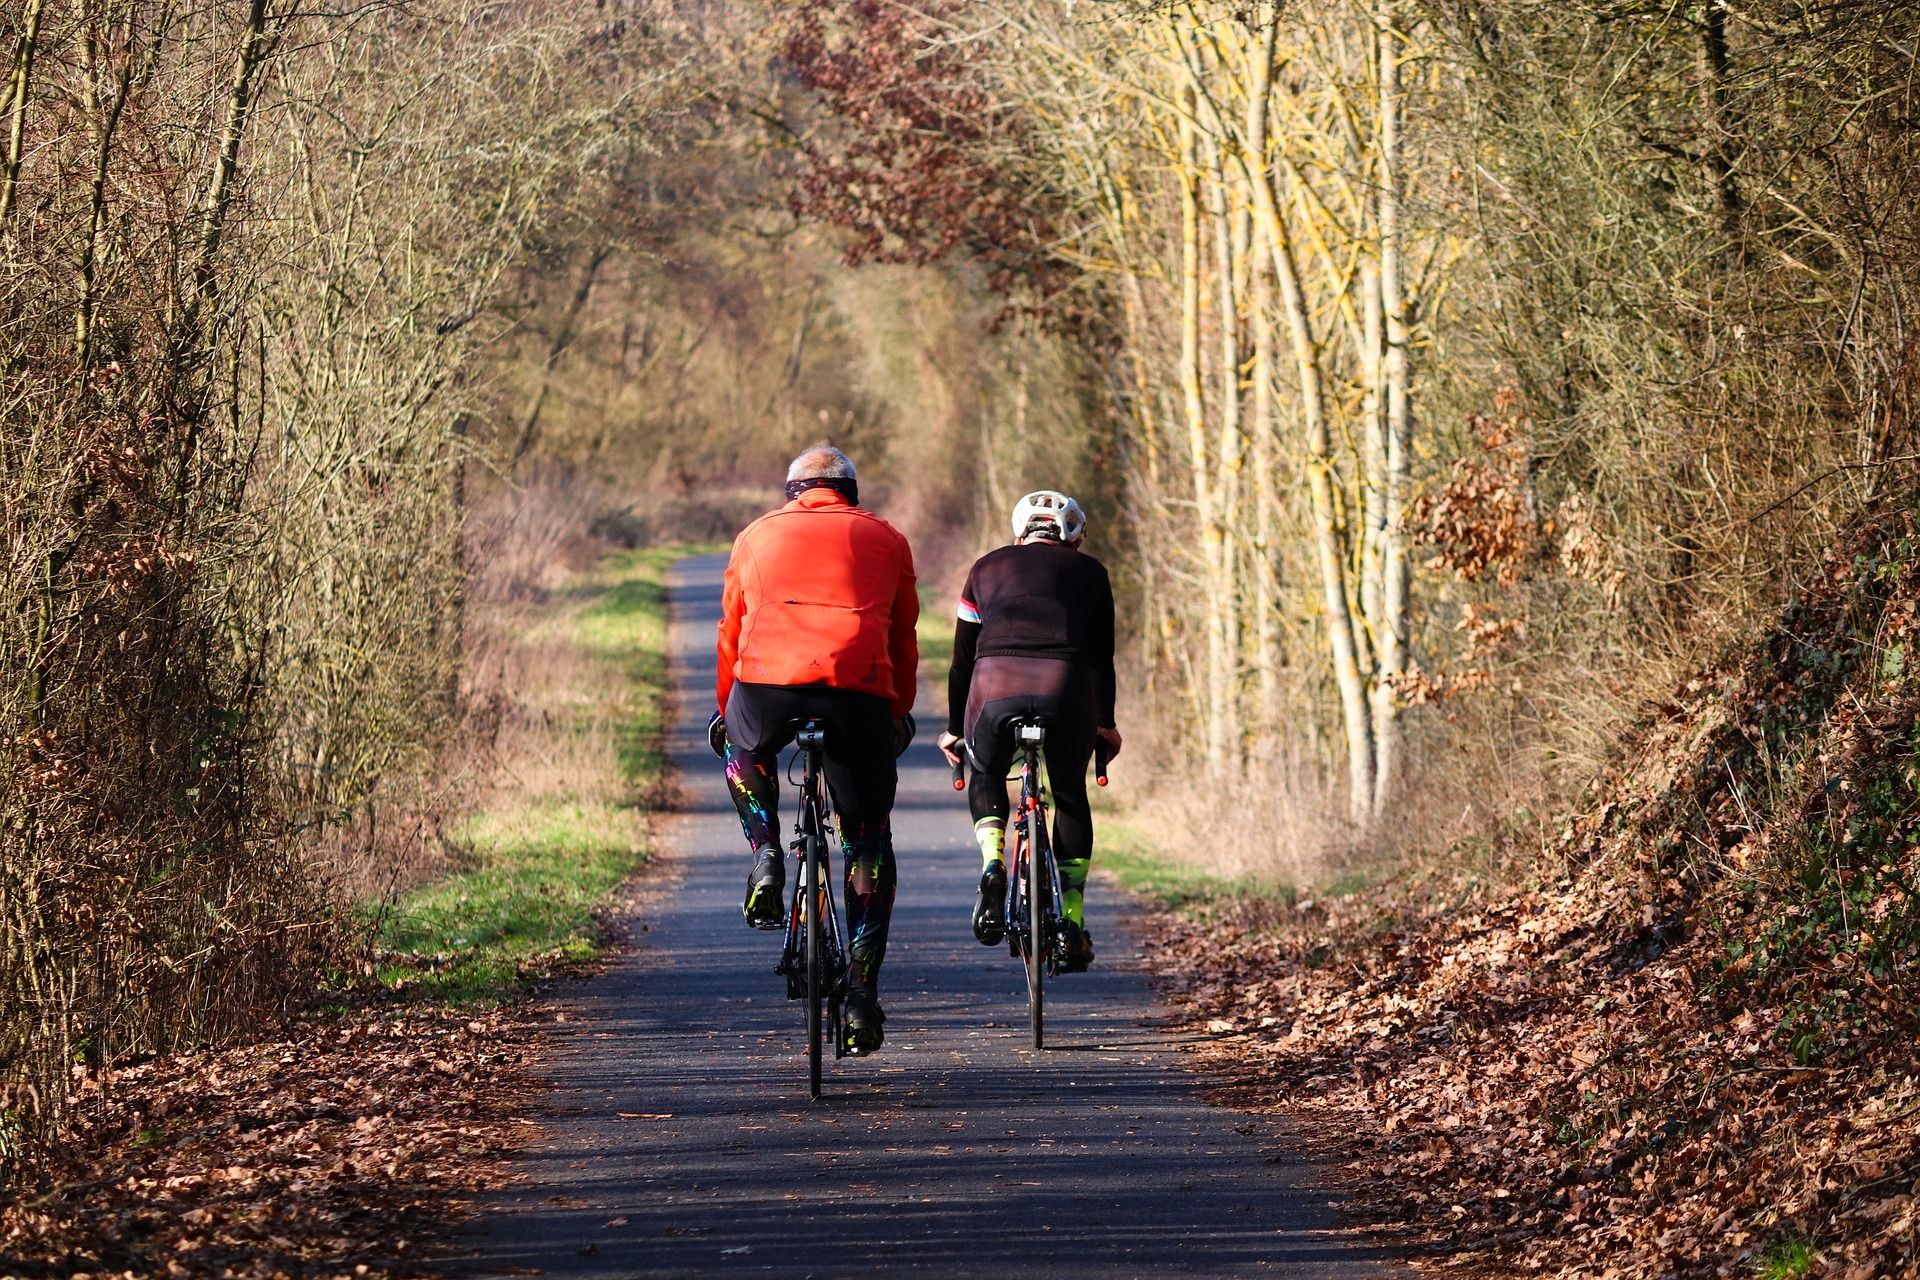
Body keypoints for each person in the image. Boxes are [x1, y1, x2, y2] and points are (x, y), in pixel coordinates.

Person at [710, 446, 918, 1055]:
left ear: (791, 492)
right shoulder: (888, 539)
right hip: (856, 693)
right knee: (868, 840)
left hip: (768, 686)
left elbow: (730, 629)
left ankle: (767, 853)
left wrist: (728, 710)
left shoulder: (755, 535)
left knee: (743, 748)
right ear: (850, 492)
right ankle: (860, 993)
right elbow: (901, 636)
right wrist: (897, 709)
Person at [937, 490, 1120, 972]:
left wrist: (956, 729)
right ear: (1074, 536)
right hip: (1067, 688)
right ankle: (1074, 921)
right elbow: (1102, 661)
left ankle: (993, 864)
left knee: (987, 770)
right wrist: (1106, 725)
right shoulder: (1093, 573)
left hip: (996, 685)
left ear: (1020, 531)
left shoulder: (985, 568)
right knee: (1070, 795)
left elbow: (961, 663)